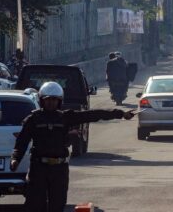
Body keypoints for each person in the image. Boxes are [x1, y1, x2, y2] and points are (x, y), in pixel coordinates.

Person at [10, 82, 135, 212]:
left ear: (59, 101)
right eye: (48, 100)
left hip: (59, 169)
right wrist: (15, 159)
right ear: (42, 101)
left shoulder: (66, 117)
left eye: (54, 100)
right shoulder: (33, 119)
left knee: (57, 204)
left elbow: (93, 115)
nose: (51, 103)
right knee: (35, 204)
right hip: (38, 168)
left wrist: (120, 114)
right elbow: (21, 142)